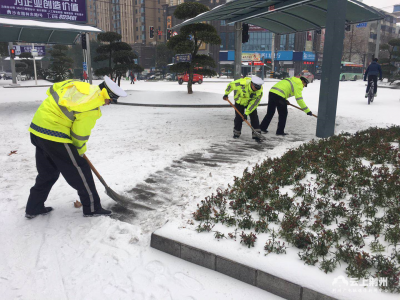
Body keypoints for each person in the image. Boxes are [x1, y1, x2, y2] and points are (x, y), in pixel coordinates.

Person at [25, 76, 127, 219]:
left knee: (48, 172)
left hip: (37, 129)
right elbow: (79, 135)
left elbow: (52, 89)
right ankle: (92, 208)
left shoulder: (78, 86)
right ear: (105, 95)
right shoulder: (91, 106)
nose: (109, 104)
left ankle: (33, 207)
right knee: (81, 170)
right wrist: (79, 152)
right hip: (55, 135)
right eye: (111, 100)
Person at [223, 76, 264, 143]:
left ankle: (256, 135)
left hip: (250, 103)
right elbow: (231, 85)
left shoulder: (259, 92)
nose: (256, 89)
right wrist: (226, 94)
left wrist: (246, 114)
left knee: (254, 117)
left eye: (257, 88)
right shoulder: (241, 83)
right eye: (255, 87)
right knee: (238, 117)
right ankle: (236, 133)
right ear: (252, 83)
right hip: (239, 101)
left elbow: (254, 104)